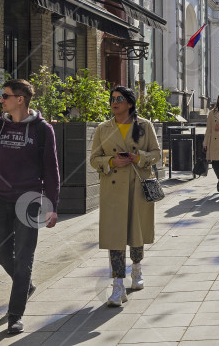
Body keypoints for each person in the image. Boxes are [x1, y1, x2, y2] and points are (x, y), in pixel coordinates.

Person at [0, 79, 59, 334]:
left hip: (29, 202)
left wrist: (52, 204)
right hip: (0, 200)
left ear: (20, 100)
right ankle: (25, 285)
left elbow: (51, 169)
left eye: (5, 96)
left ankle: (14, 315)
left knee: (24, 258)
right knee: (1, 252)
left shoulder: (42, 130)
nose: (1, 100)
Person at [90, 86, 161, 307]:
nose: (114, 102)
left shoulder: (144, 126)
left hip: (137, 188)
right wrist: (111, 162)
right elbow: (94, 159)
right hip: (113, 190)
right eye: (112, 99)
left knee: (136, 232)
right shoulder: (103, 128)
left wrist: (138, 157)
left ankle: (137, 269)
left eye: (119, 99)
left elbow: (157, 154)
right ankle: (117, 285)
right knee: (115, 236)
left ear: (129, 103)